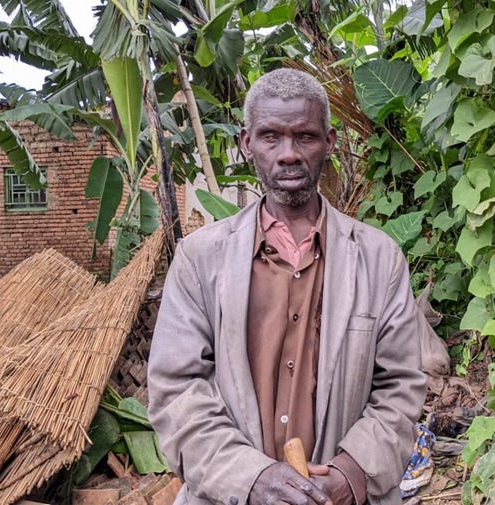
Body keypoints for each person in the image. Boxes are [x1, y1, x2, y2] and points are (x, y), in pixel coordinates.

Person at [148, 68, 428, 505]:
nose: (289, 154)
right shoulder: (199, 260)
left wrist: (349, 474)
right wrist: (250, 479)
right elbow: (177, 391)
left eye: (306, 137)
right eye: (270, 137)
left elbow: (401, 387)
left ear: (329, 144)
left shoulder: (379, 259)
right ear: (246, 144)